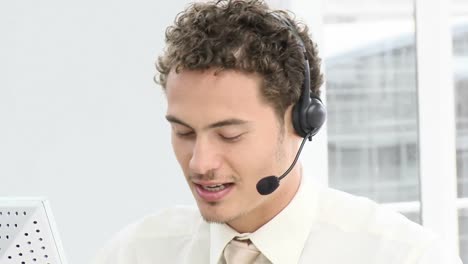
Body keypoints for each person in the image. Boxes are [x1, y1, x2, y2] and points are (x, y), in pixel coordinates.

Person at [92, 0, 463, 263]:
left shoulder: (403, 256)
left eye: (230, 135)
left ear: (301, 122)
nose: (200, 163)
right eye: (185, 133)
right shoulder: (134, 253)